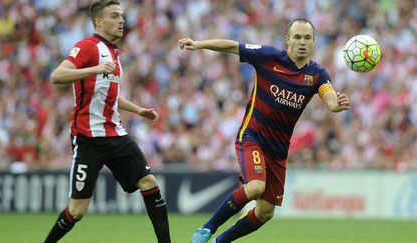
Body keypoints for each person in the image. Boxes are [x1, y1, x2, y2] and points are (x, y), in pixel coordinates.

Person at [179, 18, 351, 243]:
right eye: (297, 37)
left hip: (278, 151)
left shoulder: (317, 74)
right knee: (255, 186)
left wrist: (337, 104)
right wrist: (199, 44)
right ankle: (206, 229)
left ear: (313, 42)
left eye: (307, 38)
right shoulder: (268, 57)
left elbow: (330, 99)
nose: (302, 42)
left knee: (265, 212)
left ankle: (222, 241)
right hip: (253, 136)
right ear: (287, 40)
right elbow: (233, 46)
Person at [44, 1, 171, 242]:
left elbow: (109, 95)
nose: (122, 20)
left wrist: (139, 110)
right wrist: (94, 69)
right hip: (88, 138)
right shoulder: (88, 47)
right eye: (115, 16)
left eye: (122, 16)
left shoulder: (113, 52)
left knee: (149, 183)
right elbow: (57, 75)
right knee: (77, 210)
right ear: (99, 22)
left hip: (116, 134)